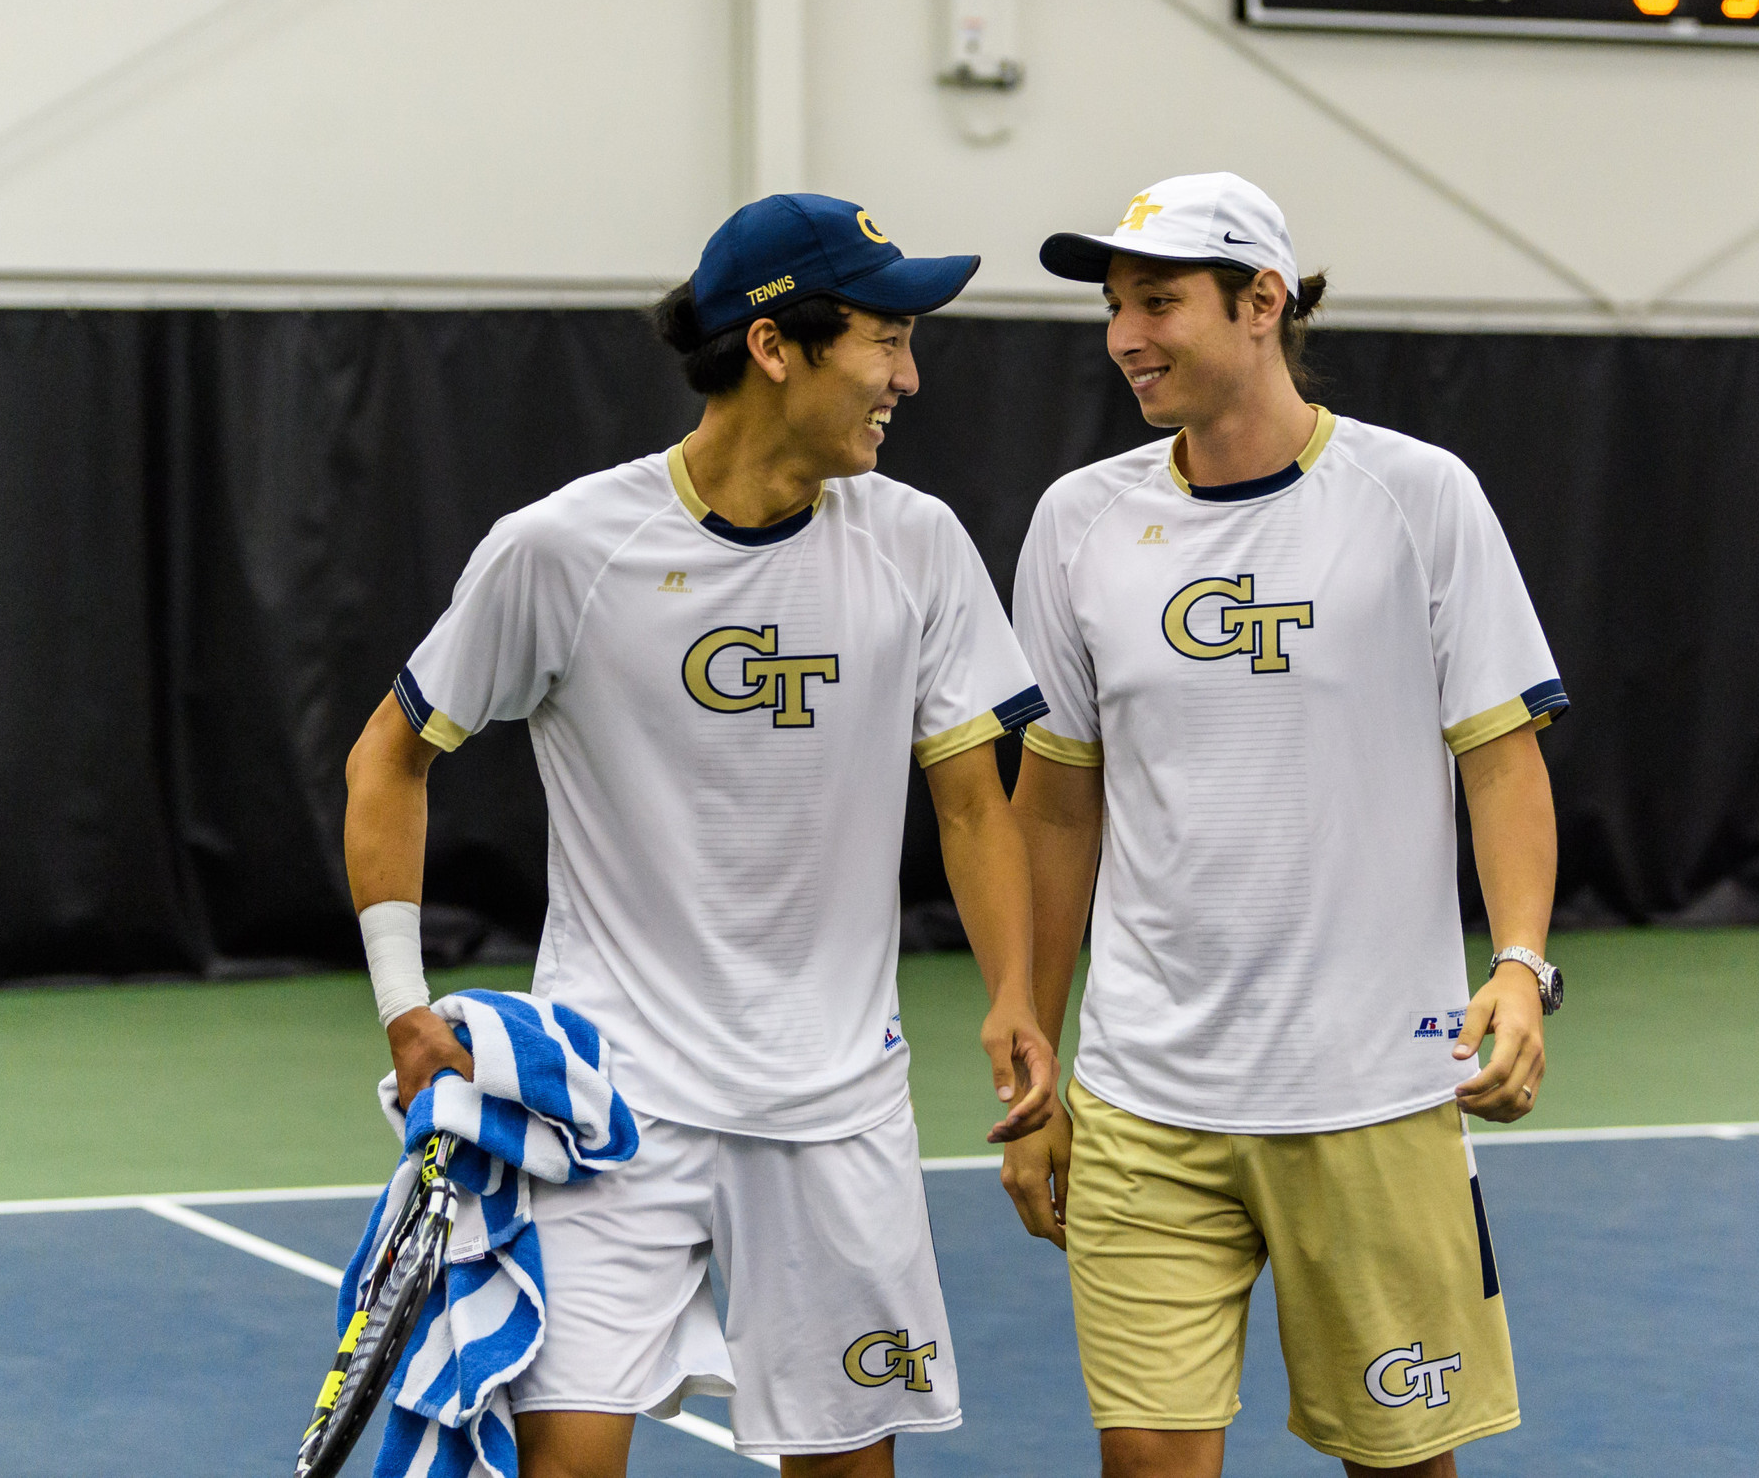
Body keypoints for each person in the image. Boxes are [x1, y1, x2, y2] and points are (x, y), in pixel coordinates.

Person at [342, 192, 1059, 1478]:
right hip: (614, 1105)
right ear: (775, 346)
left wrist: (1013, 992)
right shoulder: (562, 549)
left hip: (837, 1107)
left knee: (847, 1466)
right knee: (564, 1462)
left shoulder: (919, 544)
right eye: (884, 341)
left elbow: (969, 799)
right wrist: (403, 1002)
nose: (909, 375)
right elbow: (387, 756)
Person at [1000, 173, 1569, 1478]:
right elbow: (1058, 802)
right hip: (1145, 1092)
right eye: (1112, 306)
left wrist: (1522, 965)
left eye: (1159, 301)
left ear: (1263, 302)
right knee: (1146, 1460)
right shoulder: (1076, 523)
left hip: (1373, 1088)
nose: (1125, 335)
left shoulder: (1419, 497)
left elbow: (1501, 755)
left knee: (1404, 1461)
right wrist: (1032, 1042)